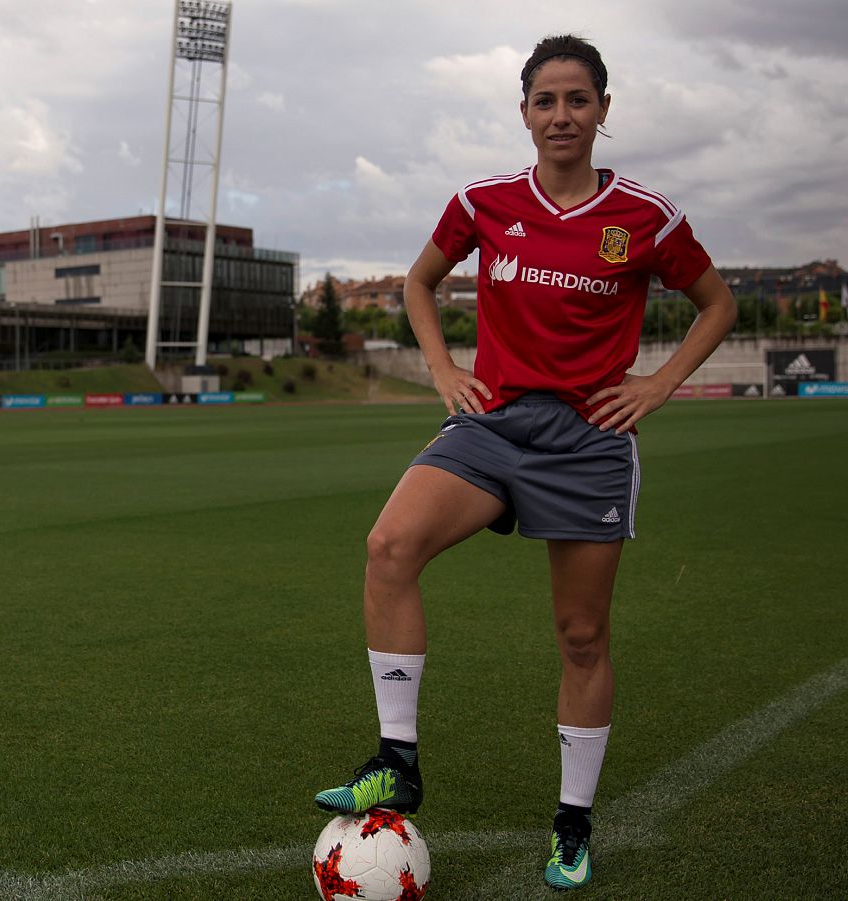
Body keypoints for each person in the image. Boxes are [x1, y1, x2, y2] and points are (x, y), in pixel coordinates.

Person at [312, 34, 736, 891]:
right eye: (545, 101)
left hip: (588, 442)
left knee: (581, 636)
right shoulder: (482, 201)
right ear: (525, 113)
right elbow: (420, 282)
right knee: (389, 546)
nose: (561, 116)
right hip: (493, 426)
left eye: (578, 100)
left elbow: (717, 304)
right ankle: (398, 760)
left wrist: (657, 385)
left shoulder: (646, 217)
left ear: (604, 111)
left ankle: (572, 822)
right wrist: (440, 367)